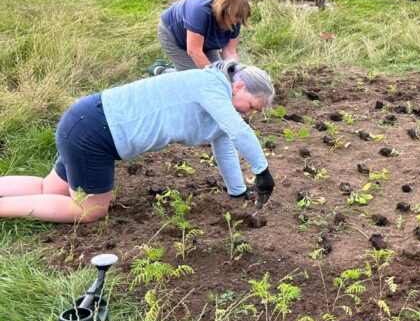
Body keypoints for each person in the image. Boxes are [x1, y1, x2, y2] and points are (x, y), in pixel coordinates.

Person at [0, 61, 276, 224]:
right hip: (96, 133)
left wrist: (237, 191)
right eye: (253, 106)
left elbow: (224, 142)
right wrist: (262, 171)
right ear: (239, 87)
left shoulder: (217, 99)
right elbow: (239, 131)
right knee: (89, 210)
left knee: (50, 188)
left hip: (85, 119)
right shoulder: (211, 85)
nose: (249, 113)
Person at [151, 0, 251, 74]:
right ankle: (161, 71)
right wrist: (216, 76)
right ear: (224, 12)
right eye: (236, 19)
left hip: (203, 41)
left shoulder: (236, 18)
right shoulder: (200, 11)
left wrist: (234, 73)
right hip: (174, 35)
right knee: (194, 78)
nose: (237, 23)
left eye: (239, 20)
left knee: (220, 71)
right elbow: (194, 50)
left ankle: (182, 65)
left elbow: (229, 51)